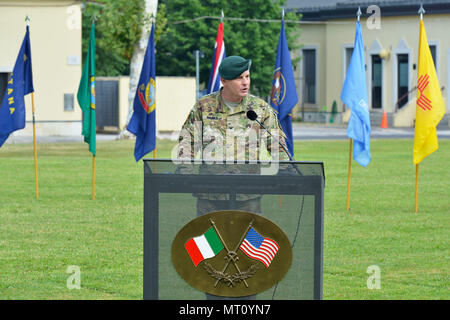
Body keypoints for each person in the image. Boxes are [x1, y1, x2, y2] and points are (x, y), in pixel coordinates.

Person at [177, 55, 292, 216]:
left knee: (248, 239)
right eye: (239, 78)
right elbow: (187, 143)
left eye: (247, 76)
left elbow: (276, 143)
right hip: (210, 193)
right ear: (224, 81)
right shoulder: (204, 107)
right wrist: (185, 173)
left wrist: (285, 169)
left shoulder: (259, 109)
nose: (245, 82)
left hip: (248, 195)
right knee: (210, 240)